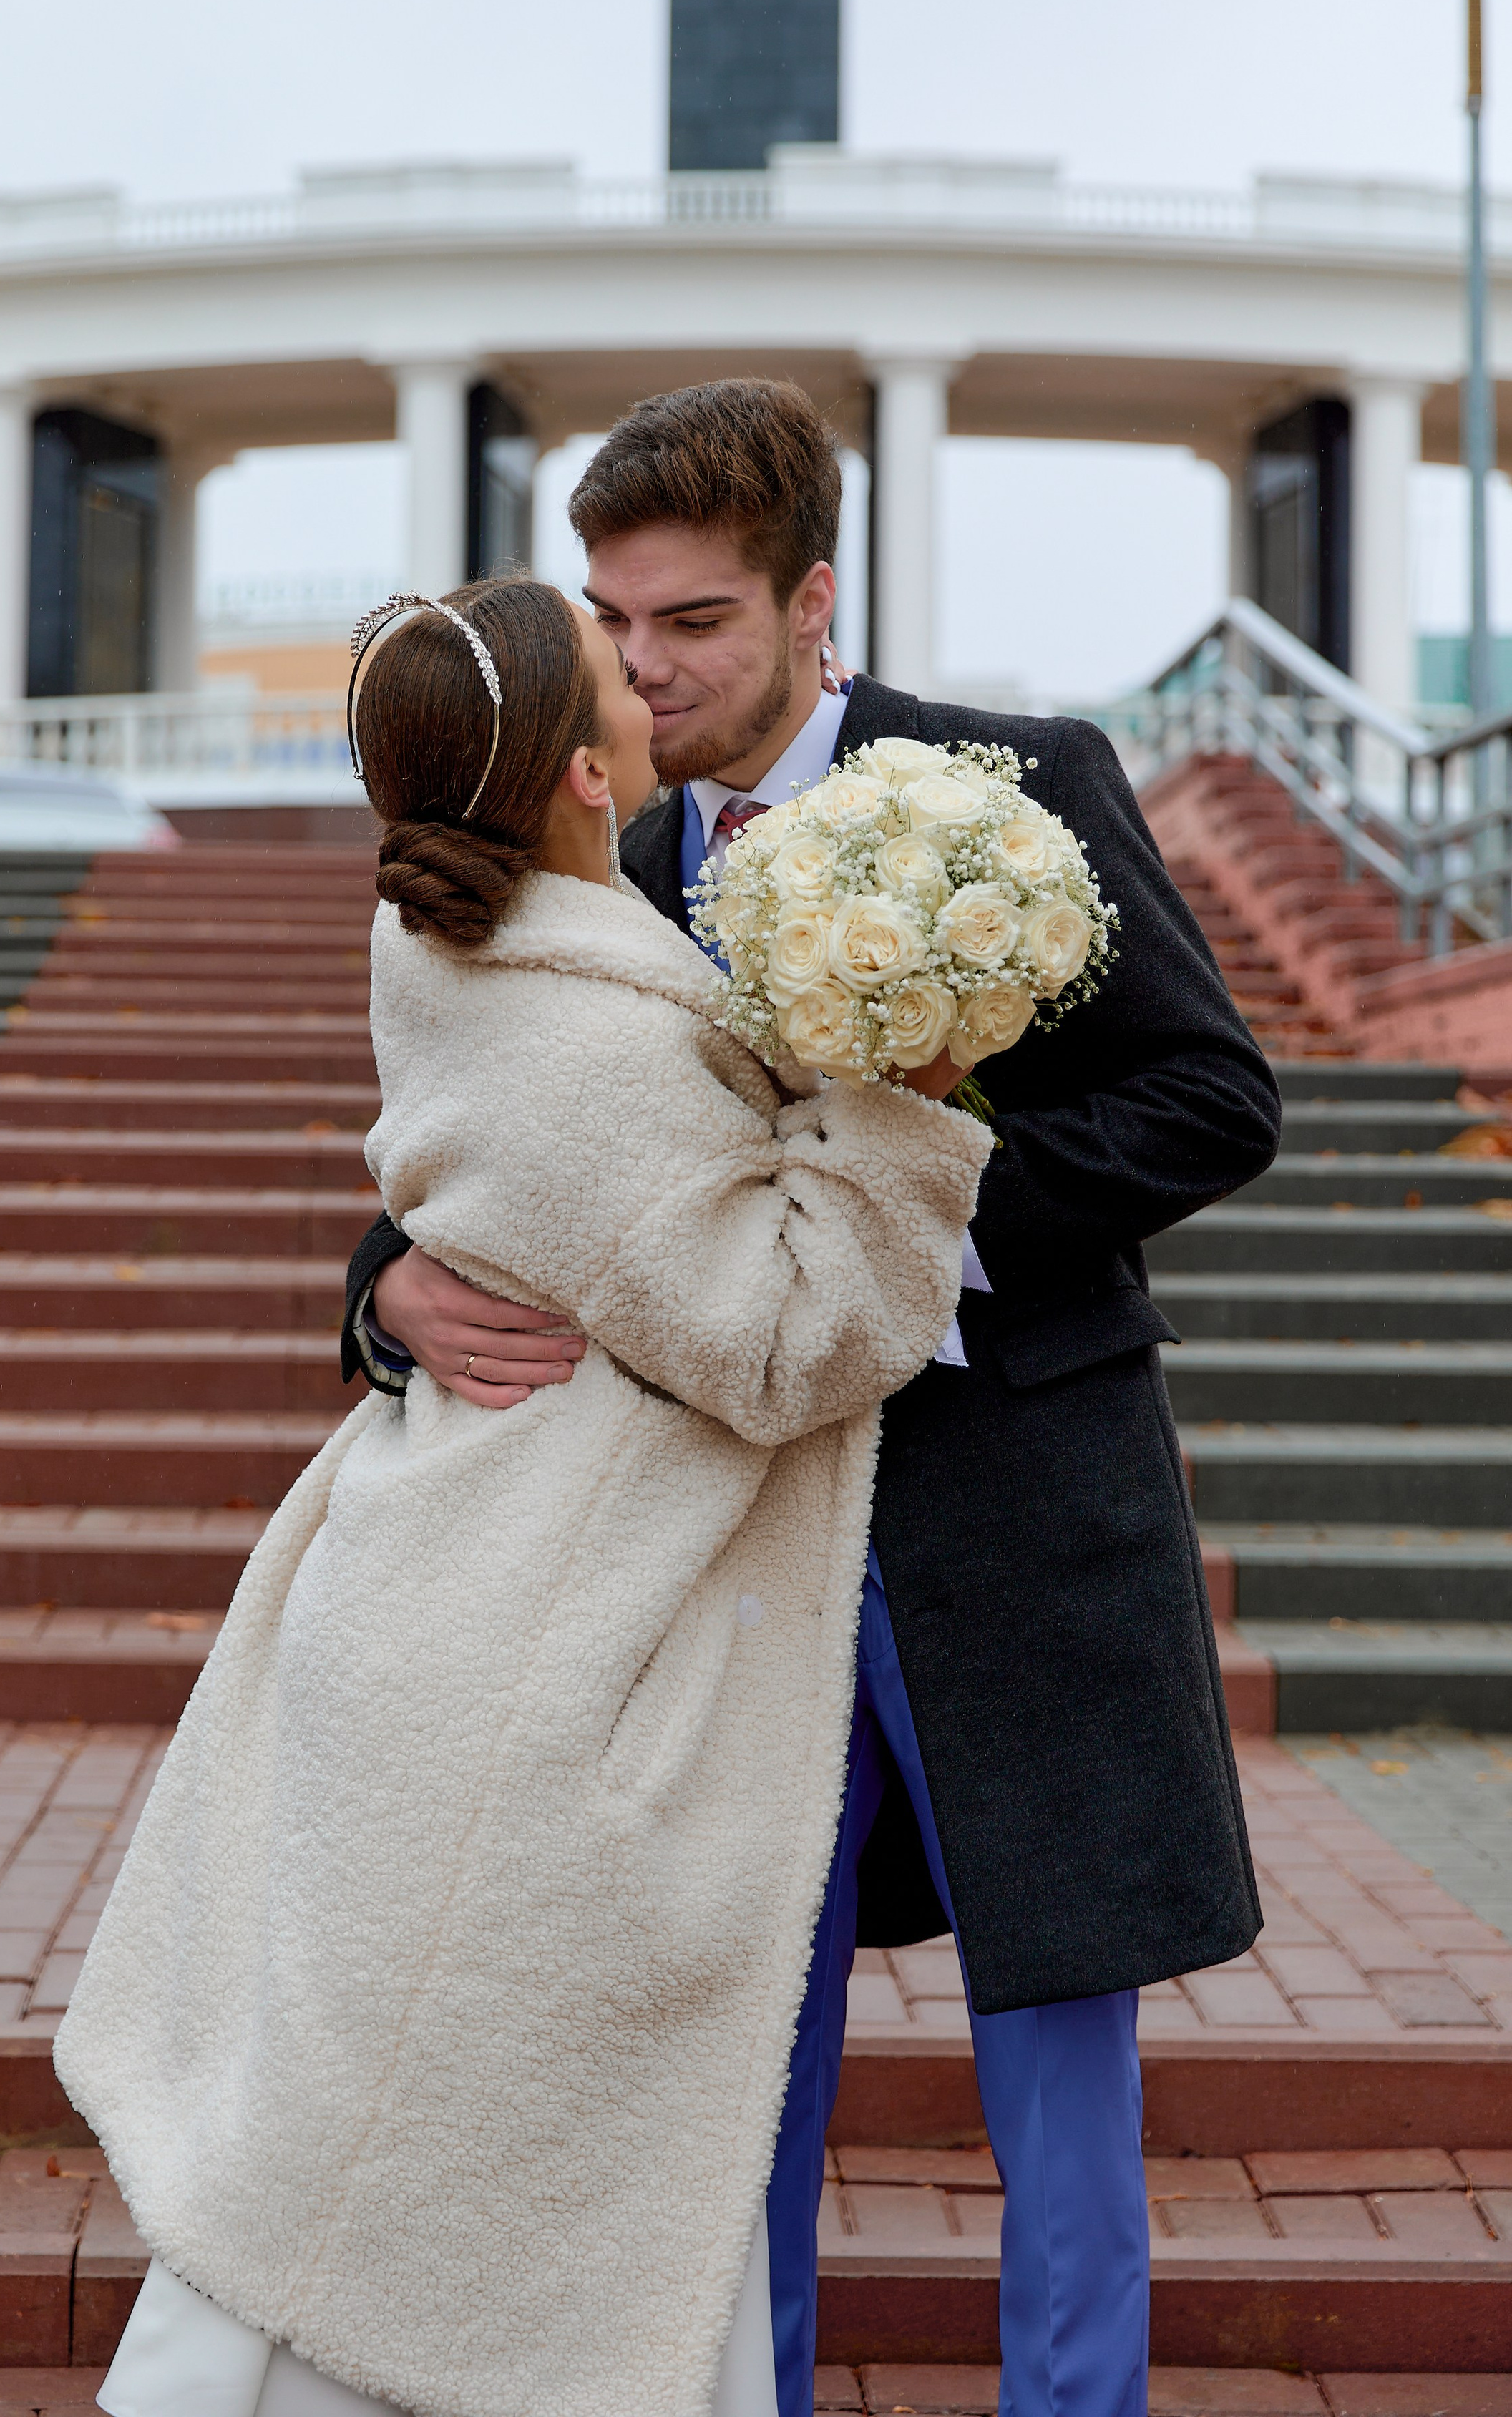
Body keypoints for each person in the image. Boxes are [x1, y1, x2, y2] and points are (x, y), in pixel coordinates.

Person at [345, 381, 1284, 2417]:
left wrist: (910, 1248)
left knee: (1061, 2076)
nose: (649, 665)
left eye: (693, 620)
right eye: (617, 621)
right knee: (722, 2056)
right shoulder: (597, 855)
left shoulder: (1014, 784)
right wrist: (388, 1286)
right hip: (727, 1541)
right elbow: (487, 1135)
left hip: (1016, 1505)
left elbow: (1215, 1096)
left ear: (811, 606)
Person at [57, 573, 992, 2417]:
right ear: (583, 770)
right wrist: (907, 1105)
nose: (646, 671)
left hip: (455, 1596)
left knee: (381, 2144)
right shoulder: (589, 1031)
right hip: (525, 1645)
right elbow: (787, 1338)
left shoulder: (493, 954)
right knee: (426, 2180)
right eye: (608, 656)